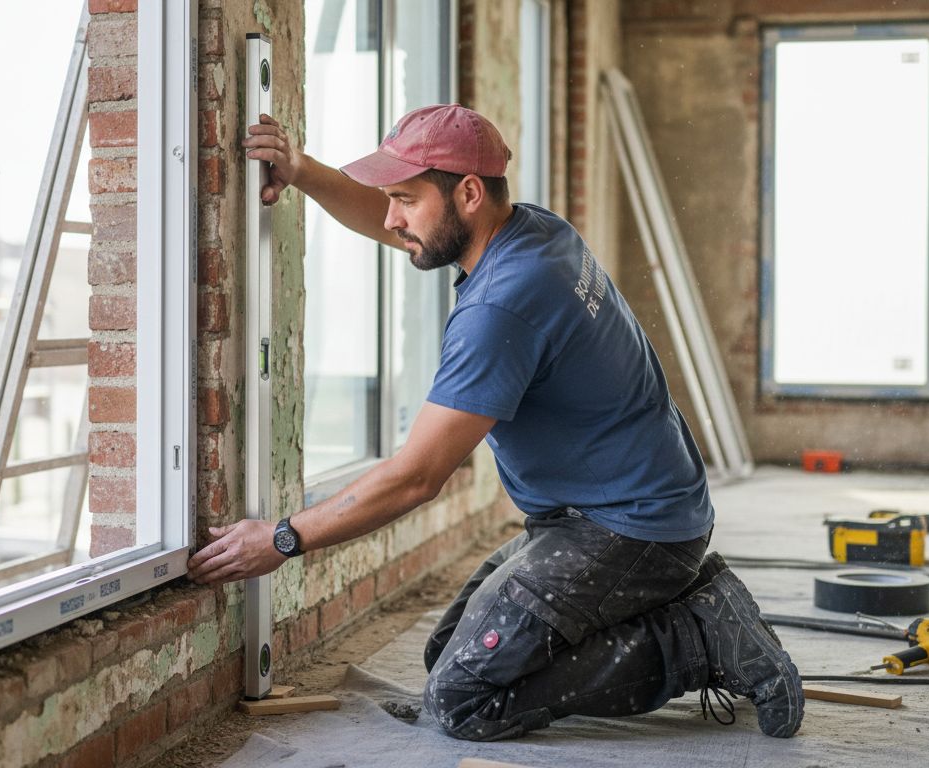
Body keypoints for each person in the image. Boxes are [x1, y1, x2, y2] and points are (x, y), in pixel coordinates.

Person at [187, 104, 802, 741]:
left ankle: (697, 638)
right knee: (449, 654)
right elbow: (406, 228)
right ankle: (675, 604)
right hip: (606, 509)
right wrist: (303, 171)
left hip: (632, 529)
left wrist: (283, 539)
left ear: (469, 194)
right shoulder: (531, 230)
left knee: (462, 700)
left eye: (404, 198)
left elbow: (416, 477)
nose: (393, 216)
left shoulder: (505, 303)